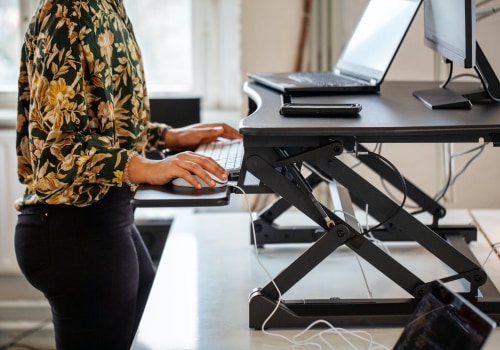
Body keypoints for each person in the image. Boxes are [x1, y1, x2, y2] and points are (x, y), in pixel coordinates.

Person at [14, 0, 241, 349]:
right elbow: (56, 154)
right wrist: (147, 168)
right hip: (70, 225)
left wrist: (170, 136)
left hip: (105, 214)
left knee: (144, 295)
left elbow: (106, 124)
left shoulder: (109, 6)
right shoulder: (65, 13)